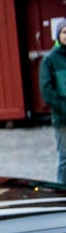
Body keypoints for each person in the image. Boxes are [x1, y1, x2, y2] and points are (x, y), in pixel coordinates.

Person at [39, 18, 66, 184]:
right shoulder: (50, 59)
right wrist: (62, 107)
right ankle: (62, 191)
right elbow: (46, 90)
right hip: (63, 116)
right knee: (65, 157)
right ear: (58, 35)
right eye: (64, 32)